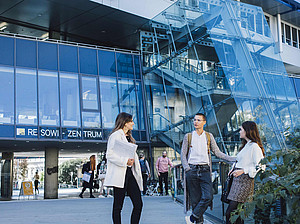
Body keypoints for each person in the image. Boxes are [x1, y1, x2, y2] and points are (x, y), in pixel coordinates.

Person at [181, 113, 236, 224]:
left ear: (204, 122)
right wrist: (186, 168)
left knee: (208, 197)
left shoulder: (208, 136)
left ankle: (193, 216)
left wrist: (234, 159)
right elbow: (183, 154)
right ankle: (198, 221)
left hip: (205, 170)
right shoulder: (188, 136)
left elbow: (217, 152)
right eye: (195, 120)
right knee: (196, 200)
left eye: (199, 120)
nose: (196, 122)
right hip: (191, 170)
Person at [104, 112, 143, 224]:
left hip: (130, 174)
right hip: (120, 174)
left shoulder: (129, 137)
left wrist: (131, 161)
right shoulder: (115, 135)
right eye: (131, 121)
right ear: (124, 122)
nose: (133, 123)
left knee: (138, 204)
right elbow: (109, 154)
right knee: (118, 206)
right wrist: (125, 161)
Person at [225, 121, 265, 224]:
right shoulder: (246, 145)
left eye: (241, 129)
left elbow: (261, 167)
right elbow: (241, 161)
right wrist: (233, 168)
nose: (239, 132)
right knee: (238, 214)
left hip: (245, 182)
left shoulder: (254, 147)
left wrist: (243, 171)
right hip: (237, 181)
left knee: (231, 213)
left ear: (247, 131)